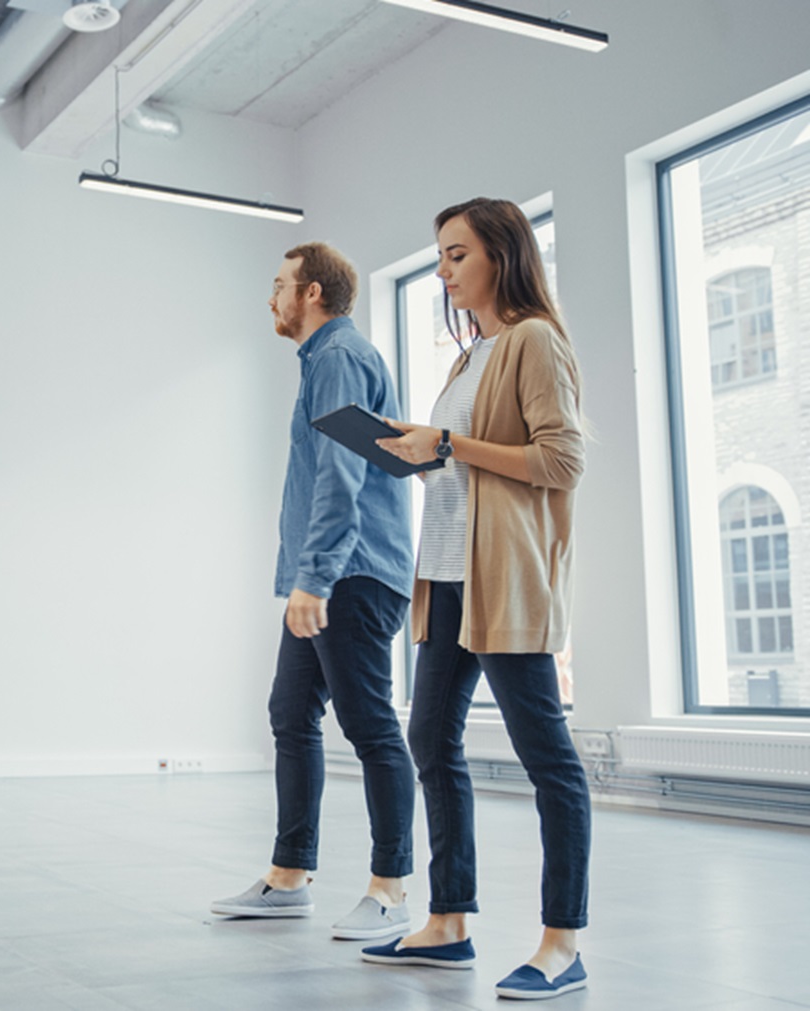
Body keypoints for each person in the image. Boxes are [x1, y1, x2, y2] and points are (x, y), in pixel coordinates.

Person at [365, 197, 590, 1001]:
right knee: (429, 739)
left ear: (501, 252)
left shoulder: (532, 340)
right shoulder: (469, 359)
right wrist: (417, 450)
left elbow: (559, 462)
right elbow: (463, 463)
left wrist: (451, 444)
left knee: (549, 762)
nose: (443, 269)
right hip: (450, 579)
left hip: (505, 581)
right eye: (440, 255)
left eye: (457, 254)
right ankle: (449, 921)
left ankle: (563, 942)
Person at [211, 243, 417, 942]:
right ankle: (289, 876)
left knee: (368, 725)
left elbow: (342, 473)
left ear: (313, 294)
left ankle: (391, 891)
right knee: (291, 711)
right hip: (337, 570)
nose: (272, 297)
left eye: (280, 285)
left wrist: (314, 576)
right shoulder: (327, 359)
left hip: (351, 574)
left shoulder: (336, 357)